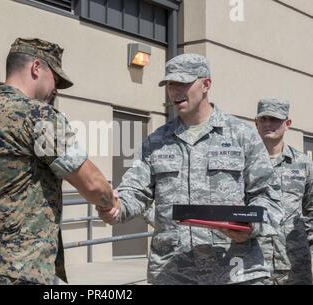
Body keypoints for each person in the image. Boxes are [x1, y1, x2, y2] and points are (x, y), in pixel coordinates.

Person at [98, 53, 282, 285]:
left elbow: (269, 195)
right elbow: (135, 191)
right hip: (174, 272)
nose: (175, 91)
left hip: (234, 270)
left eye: (183, 83)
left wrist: (252, 226)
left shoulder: (241, 136)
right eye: (170, 84)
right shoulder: (156, 142)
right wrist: (116, 206)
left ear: (206, 84)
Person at [0, 38, 119, 285]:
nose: (56, 88)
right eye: (55, 78)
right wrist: (109, 202)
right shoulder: (37, 115)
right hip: (19, 269)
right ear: (36, 68)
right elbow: (92, 184)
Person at [255, 99, 313, 285]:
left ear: (287, 124)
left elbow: (311, 211)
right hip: (254, 261)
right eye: (263, 119)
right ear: (256, 123)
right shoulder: (245, 162)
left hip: (294, 263)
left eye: (274, 119)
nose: (268, 124)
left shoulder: (304, 164)